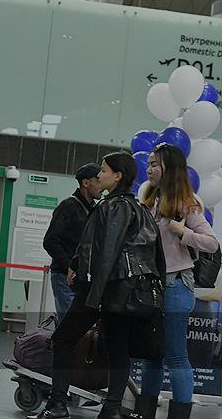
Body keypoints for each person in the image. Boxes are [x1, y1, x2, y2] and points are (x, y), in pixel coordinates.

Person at [38, 152, 164, 419]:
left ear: (117, 176)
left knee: (63, 339)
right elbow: (155, 256)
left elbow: (106, 253)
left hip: (104, 288)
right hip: (127, 292)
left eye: (104, 170)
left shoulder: (113, 207)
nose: (99, 174)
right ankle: (111, 409)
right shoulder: (139, 209)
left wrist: (92, 295)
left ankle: (58, 404)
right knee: (118, 349)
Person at [135, 144, 221, 419]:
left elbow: (212, 243)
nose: (149, 169)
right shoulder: (149, 201)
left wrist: (183, 233)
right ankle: (144, 413)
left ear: (169, 168)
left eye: (155, 164)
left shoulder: (187, 203)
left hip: (175, 286)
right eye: (149, 163)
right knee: (151, 356)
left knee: (175, 356)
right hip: (150, 288)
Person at [43, 163, 104, 320]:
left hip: (83, 279)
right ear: (86, 182)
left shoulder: (96, 209)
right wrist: (69, 266)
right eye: (98, 180)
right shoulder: (68, 206)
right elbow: (50, 241)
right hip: (64, 278)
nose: (102, 185)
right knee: (69, 324)